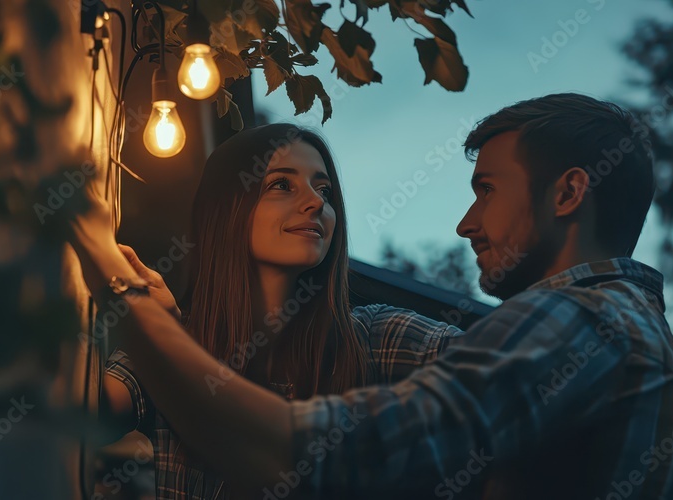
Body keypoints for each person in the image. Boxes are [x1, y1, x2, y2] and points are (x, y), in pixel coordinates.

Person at [70, 94, 673, 499]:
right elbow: (69, 408)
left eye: (486, 188)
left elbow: (319, 453)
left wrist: (117, 285)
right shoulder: (611, 329)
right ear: (223, 213)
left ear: (567, 195)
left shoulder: (579, 327)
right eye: (279, 185)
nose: (465, 222)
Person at [98, 124, 465, 500]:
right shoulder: (177, 340)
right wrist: (158, 331)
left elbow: (512, 367)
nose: (316, 202)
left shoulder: (375, 338)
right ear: (227, 209)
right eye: (281, 185)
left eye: (324, 190)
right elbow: (84, 414)